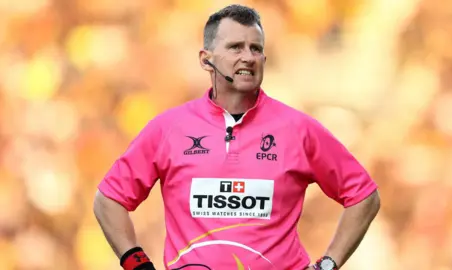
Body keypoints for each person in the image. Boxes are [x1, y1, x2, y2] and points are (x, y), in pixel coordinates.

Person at [93, 4, 381, 270]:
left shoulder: (299, 129)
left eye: (256, 49)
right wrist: (136, 263)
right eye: (235, 47)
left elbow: (364, 196)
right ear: (206, 60)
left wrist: (328, 265)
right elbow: (109, 200)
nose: (248, 57)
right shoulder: (168, 128)